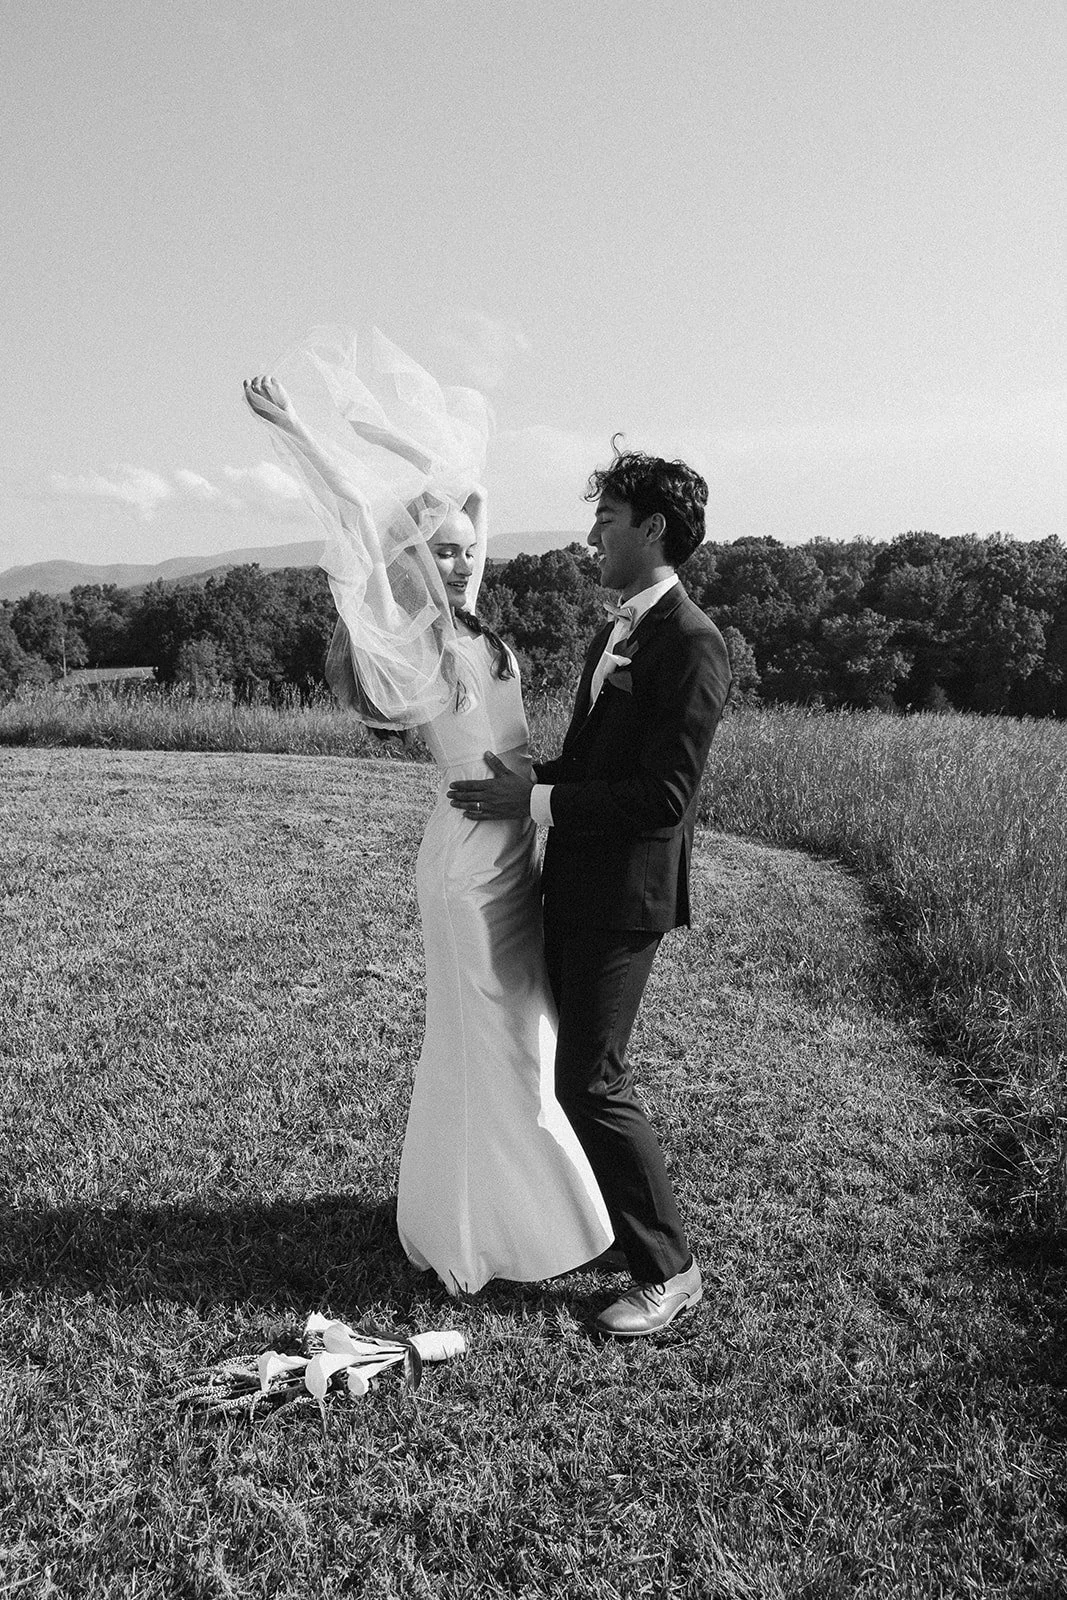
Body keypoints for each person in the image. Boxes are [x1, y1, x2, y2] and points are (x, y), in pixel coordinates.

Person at [243, 329, 612, 1295]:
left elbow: (472, 496)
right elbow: (355, 522)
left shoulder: (476, 617)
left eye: (464, 553)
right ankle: (491, 1228)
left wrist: (388, 438)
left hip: (514, 846)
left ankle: (540, 1207)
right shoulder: (417, 641)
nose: (457, 562)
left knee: (523, 1031)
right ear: (412, 557)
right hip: (467, 862)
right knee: (487, 1038)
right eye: (440, 552)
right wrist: (304, 433)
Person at [448, 445, 732, 1336]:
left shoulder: (692, 642)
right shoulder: (617, 631)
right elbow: (595, 762)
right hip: (571, 882)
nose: (591, 536)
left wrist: (532, 803)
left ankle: (669, 1271)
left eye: (605, 518)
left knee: (591, 1080)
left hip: (624, 898)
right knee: (570, 1069)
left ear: (652, 528)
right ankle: (598, 1221)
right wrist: (529, 777)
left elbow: (662, 799)